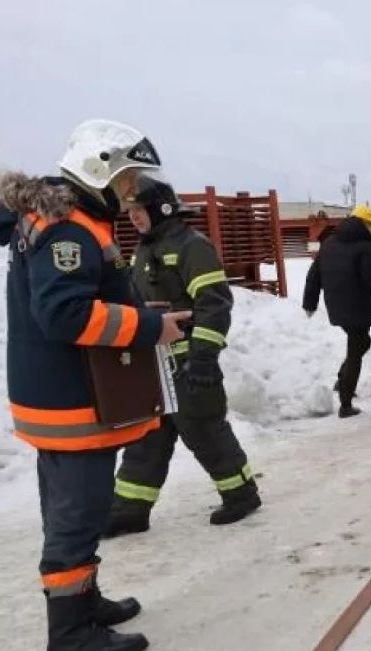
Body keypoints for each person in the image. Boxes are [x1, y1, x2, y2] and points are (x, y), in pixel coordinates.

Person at [1, 119, 190, 651]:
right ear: (97, 168)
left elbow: (79, 303)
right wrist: (150, 329)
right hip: (70, 403)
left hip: (62, 394)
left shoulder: (63, 219)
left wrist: (134, 314)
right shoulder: (69, 231)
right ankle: (70, 635)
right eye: (127, 178)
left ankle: (83, 603)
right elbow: (66, 315)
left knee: (73, 510)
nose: (132, 190)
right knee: (77, 515)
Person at [102, 173, 260, 538]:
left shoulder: (192, 246)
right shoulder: (144, 250)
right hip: (153, 364)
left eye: (140, 209)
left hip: (189, 362)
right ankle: (130, 509)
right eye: (131, 211)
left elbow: (215, 304)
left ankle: (241, 493)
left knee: (205, 430)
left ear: (161, 207)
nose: (135, 217)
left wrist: (203, 357)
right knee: (147, 436)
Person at [302, 204, 371, 418]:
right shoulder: (365, 245)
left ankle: (342, 379)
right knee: (356, 350)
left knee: (361, 343)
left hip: (335, 304)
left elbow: (314, 274)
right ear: (366, 224)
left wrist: (310, 302)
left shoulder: (329, 242)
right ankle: (345, 403)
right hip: (357, 305)